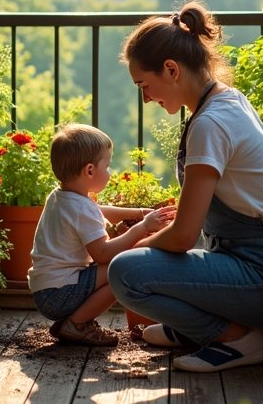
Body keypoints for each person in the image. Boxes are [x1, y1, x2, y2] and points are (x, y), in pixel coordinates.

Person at [107, 0, 263, 373]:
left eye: (144, 85)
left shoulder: (210, 124)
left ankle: (235, 339)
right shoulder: (226, 101)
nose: (146, 98)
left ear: (171, 69)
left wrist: (129, 246)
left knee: (124, 271)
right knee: (140, 262)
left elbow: (184, 236)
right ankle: (198, 327)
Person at [28, 123, 174, 346]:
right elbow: (103, 254)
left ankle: (77, 322)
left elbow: (97, 210)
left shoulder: (61, 196)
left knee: (118, 270)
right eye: (107, 165)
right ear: (89, 170)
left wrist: (140, 212)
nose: (110, 171)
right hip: (59, 293)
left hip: (47, 290)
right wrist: (142, 227)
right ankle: (76, 325)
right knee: (122, 271)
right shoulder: (81, 208)